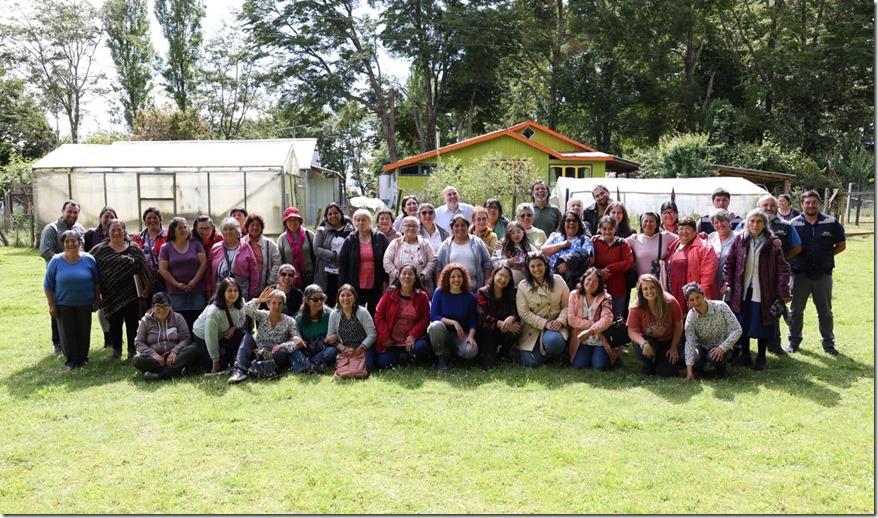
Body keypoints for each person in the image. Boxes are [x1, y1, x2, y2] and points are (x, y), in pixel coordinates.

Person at [721, 209, 791, 370]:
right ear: (747, 223)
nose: (755, 224)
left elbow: (783, 268)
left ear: (765, 224)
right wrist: (727, 282)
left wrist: (783, 290)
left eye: (759, 221)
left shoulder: (772, 242)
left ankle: (761, 357)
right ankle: (745, 355)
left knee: (763, 323)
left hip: (764, 290)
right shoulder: (740, 239)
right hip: (742, 289)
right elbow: (729, 264)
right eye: (752, 221)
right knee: (743, 323)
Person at [786, 191, 846, 355]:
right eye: (807, 202)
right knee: (795, 311)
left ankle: (828, 343)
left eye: (814, 202)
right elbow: (788, 247)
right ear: (801, 204)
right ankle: (793, 342)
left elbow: (841, 245)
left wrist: (826, 257)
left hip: (823, 273)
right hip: (799, 273)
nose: (811, 205)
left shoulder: (831, 222)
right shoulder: (792, 224)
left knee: (825, 312)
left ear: (819, 203)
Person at [91, 218, 150, 360]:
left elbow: (143, 269)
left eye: (119, 230)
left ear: (124, 231)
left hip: (131, 293)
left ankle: (132, 350)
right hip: (110, 295)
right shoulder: (99, 250)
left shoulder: (134, 248)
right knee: (114, 324)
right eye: (113, 230)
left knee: (132, 323)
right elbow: (87, 264)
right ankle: (116, 350)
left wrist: (146, 287)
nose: (116, 233)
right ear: (108, 232)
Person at [44, 230, 100, 370]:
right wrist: (51, 305)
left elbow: (97, 282)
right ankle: (71, 361)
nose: (70, 244)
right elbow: (48, 285)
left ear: (79, 242)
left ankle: (83, 359)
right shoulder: (55, 261)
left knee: (83, 331)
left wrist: (96, 298)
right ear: (63, 244)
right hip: (63, 304)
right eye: (67, 241)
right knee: (67, 333)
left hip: (85, 303)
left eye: (73, 240)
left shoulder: (89, 259)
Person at [753, 194, 802, 355]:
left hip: (774, 278)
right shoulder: (750, 222)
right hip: (752, 277)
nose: (768, 208)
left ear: (777, 207)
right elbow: (738, 238)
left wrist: (782, 258)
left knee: (774, 309)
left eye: (772, 205)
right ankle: (743, 347)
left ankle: (774, 344)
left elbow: (797, 247)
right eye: (765, 205)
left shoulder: (786, 225)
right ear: (758, 207)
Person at [228, 286, 302, 383]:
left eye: (280, 303)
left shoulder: (290, 321)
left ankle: (258, 368)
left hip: (276, 354)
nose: (276, 306)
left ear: (283, 305)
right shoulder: (262, 315)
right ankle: (239, 371)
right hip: (259, 351)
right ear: (268, 304)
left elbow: (298, 341)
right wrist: (258, 301)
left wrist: (283, 345)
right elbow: (246, 309)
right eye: (274, 303)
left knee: (282, 352)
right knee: (247, 337)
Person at [40, 199, 86, 355]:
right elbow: (45, 252)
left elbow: (84, 250)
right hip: (58, 278)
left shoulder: (79, 229)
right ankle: (58, 343)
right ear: (62, 211)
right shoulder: (51, 229)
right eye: (69, 212)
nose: (72, 215)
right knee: (57, 310)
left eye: (75, 212)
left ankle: (75, 342)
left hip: (78, 278)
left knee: (76, 310)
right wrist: (66, 261)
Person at [373, 264, 432, 370]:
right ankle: (401, 355)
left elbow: (425, 319)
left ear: (415, 278)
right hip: (391, 341)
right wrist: (385, 337)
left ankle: (409, 354)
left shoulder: (422, 296)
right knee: (384, 363)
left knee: (420, 348)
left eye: (410, 274)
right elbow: (378, 316)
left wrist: (413, 335)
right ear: (399, 277)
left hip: (411, 340)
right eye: (404, 273)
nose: (407, 276)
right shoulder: (389, 294)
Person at [516, 253, 569, 368]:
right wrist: (545, 324)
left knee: (554, 342)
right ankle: (538, 352)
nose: (536, 269)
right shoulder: (523, 286)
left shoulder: (558, 281)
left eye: (539, 265)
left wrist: (560, 321)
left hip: (555, 325)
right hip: (533, 328)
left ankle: (556, 354)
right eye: (532, 266)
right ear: (528, 268)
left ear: (546, 265)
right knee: (532, 362)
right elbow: (523, 312)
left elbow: (567, 305)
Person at [627, 274, 684, 377]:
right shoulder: (636, 308)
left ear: (658, 287)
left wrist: (673, 348)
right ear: (641, 291)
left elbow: (678, 325)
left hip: (667, 341)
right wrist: (644, 343)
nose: (649, 291)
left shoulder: (670, 302)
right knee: (643, 347)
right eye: (645, 289)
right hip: (648, 340)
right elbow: (631, 331)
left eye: (652, 287)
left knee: (667, 374)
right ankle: (648, 366)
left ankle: (660, 362)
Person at [132, 292, 198, 382]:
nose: (161, 309)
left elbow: (186, 338)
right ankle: (177, 370)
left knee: (194, 348)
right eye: (158, 306)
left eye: (165, 306)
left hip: (175, 357)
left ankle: (160, 375)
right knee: (137, 360)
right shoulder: (145, 321)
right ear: (152, 306)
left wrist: (174, 352)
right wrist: (153, 354)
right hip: (154, 359)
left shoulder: (178, 318)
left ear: (170, 306)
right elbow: (139, 342)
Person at [683, 283, 742, 381]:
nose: (696, 302)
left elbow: (737, 329)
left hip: (721, 345)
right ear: (688, 302)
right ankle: (700, 368)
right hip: (701, 346)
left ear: (703, 294)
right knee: (696, 359)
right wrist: (689, 373)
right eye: (692, 300)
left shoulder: (721, 307)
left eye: (698, 297)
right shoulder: (691, 317)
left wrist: (722, 347)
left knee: (713, 357)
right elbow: (689, 343)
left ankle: (722, 368)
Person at [158, 217, 208, 331]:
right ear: (173, 230)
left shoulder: (196, 244)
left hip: (196, 291)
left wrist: (194, 281)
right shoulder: (166, 247)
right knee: (178, 326)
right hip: (175, 293)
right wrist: (176, 284)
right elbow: (163, 269)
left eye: (185, 227)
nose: (184, 230)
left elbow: (204, 263)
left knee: (197, 324)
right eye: (180, 228)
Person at [428, 263, 478, 372]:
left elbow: (473, 321)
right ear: (447, 278)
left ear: (464, 278)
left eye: (459, 276)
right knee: (436, 325)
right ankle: (440, 357)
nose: (456, 279)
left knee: (471, 351)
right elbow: (433, 316)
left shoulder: (470, 297)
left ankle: (453, 353)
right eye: (452, 276)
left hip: (460, 335)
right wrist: (454, 322)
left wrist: (470, 337)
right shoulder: (439, 292)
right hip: (443, 333)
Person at [339, 209, 390, 315]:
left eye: (364, 220)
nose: (361, 222)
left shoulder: (380, 238)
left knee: (375, 312)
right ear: (354, 222)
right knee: (356, 313)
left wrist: (386, 280)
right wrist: (342, 285)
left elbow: (388, 260)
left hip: (376, 284)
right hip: (355, 284)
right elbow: (343, 264)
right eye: (358, 220)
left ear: (370, 222)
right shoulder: (350, 240)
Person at [567, 267, 618, 370]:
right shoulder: (574, 295)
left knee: (600, 366)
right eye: (589, 279)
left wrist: (591, 331)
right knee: (579, 365)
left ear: (599, 284)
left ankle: (609, 355)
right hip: (582, 339)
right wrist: (594, 323)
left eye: (595, 281)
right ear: (583, 279)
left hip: (601, 338)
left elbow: (607, 319)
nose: (591, 283)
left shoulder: (606, 297)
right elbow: (572, 319)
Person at [192, 277, 246, 374]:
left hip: (222, 333)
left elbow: (242, 319)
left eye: (235, 290)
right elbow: (210, 337)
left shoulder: (240, 302)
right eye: (229, 291)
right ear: (222, 292)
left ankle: (229, 357)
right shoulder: (214, 312)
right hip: (203, 336)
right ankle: (199, 354)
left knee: (242, 334)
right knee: (217, 367)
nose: (233, 294)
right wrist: (215, 360)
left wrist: (234, 328)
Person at [665, 217, 718, 313]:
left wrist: (699, 296)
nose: (684, 231)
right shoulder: (674, 245)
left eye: (687, 228)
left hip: (693, 296)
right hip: (674, 293)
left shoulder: (704, 247)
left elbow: (708, 275)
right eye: (681, 228)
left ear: (695, 231)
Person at [475, 266, 521, 369]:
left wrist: (512, 318)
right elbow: (482, 317)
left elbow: (516, 312)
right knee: (489, 365)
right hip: (486, 332)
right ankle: (490, 351)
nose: (503, 279)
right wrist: (503, 324)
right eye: (501, 275)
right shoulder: (483, 292)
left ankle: (504, 352)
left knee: (517, 328)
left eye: (507, 277)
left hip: (503, 331)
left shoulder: (510, 293)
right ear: (494, 275)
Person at [324, 284, 378, 372]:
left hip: (363, 347)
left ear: (354, 298)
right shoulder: (334, 314)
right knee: (343, 368)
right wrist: (344, 349)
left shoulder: (363, 312)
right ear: (338, 298)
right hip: (344, 348)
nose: (346, 298)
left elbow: (372, 334)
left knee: (367, 367)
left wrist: (361, 348)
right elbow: (330, 337)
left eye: (349, 295)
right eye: (342, 295)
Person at [83, 206, 116, 349]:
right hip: (96, 277)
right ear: (100, 218)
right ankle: (107, 336)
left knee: (115, 307)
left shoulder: (118, 232)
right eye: (106, 217)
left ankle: (115, 336)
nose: (109, 219)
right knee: (101, 305)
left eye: (112, 217)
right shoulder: (91, 234)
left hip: (115, 277)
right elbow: (84, 254)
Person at [435, 214, 493, 293]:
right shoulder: (445, 245)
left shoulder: (477, 242)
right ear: (452, 228)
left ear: (467, 227)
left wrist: (487, 282)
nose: (460, 228)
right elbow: (438, 267)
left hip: (475, 288)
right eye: (457, 226)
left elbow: (487, 262)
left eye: (463, 225)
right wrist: (440, 286)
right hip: (451, 290)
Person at [591, 216, 635, 318]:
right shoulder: (594, 242)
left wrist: (609, 269)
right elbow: (589, 263)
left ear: (615, 229)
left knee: (616, 316)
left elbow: (629, 262)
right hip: (598, 287)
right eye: (604, 229)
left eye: (610, 229)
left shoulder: (622, 243)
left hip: (618, 288)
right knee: (597, 316)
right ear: (600, 229)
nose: (607, 232)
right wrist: (599, 272)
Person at [207, 217, 259, 301]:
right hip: (219, 291)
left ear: (237, 231)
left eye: (231, 229)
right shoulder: (215, 248)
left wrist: (253, 292)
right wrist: (209, 291)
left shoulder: (245, 247)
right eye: (225, 229)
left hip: (240, 291)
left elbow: (254, 272)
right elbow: (209, 272)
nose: (228, 232)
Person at [384, 215, 437, 296]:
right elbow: (387, 261)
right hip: (398, 284)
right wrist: (399, 275)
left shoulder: (425, 243)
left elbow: (432, 260)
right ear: (402, 228)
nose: (411, 228)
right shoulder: (396, 243)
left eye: (414, 226)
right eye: (408, 225)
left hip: (421, 284)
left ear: (418, 228)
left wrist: (423, 275)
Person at [314, 202, 354, 308]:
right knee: (327, 303)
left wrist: (343, 258)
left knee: (345, 301)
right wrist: (333, 256)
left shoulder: (351, 230)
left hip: (345, 271)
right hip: (327, 274)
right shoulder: (322, 230)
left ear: (341, 214)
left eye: (335, 213)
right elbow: (316, 249)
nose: (333, 216)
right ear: (326, 216)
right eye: (330, 214)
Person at [541, 210, 594, 289]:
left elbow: (590, 259)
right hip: (552, 279)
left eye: (574, 220)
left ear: (579, 223)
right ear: (563, 223)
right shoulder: (555, 237)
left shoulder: (585, 240)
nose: (571, 223)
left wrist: (569, 263)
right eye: (568, 220)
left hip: (574, 281)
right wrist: (562, 245)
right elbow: (543, 251)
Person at [291, 284, 335, 373]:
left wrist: (335, 336)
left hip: (323, 349)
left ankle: (307, 365)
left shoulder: (330, 314)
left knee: (332, 351)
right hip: (307, 350)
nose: (319, 302)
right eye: (315, 299)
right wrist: (296, 338)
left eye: (322, 298)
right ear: (307, 301)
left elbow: (338, 332)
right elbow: (295, 336)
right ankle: (315, 365)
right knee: (291, 350)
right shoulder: (299, 318)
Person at [276, 207, 316, 290]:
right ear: (285, 222)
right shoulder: (282, 239)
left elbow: (316, 256)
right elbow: (279, 260)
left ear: (299, 221)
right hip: (289, 278)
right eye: (289, 220)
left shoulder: (309, 235)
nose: (293, 222)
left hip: (309, 277)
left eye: (295, 219)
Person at [243, 213, 282, 293]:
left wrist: (270, 281)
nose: (255, 227)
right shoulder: (241, 243)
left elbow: (277, 263)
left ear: (261, 227)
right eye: (252, 225)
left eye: (257, 225)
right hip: (245, 286)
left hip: (265, 286)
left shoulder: (270, 244)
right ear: (247, 227)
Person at [626, 212, 670, 283]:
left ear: (657, 224)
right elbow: (619, 243)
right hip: (642, 283)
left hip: (659, 282)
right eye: (645, 221)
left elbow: (682, 239)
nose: (648, 224)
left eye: (652, 221)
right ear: (641, 223)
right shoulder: (635, 239)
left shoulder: (665, 237)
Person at [132, 206, 167, 294]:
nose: (152, 220)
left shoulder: (168, 235)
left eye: (155, 218)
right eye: (149, 218)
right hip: (144, 280)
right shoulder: (137, 237)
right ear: (144, 222)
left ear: (160, 220)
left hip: (165, 279)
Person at [706, 209, 737, 296]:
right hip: (714, 282)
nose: (720, 224)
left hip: (731, 282)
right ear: (713, 225)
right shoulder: (711, 237)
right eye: (716, 222)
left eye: (722, 221)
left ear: (729, 221)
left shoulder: (738, 237)